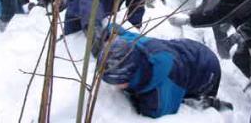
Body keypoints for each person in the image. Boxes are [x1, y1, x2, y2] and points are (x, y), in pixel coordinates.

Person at [97, 24, 231, 118]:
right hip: (188, 49)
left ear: (128, 77)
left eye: (115, 82)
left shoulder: (158, 99)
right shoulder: (130, 44)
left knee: (192, 100)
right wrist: (104, 32)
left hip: (206, 71)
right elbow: (118, 30)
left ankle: (215, 107)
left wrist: (137, 102)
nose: (113, 85)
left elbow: (160, 113)